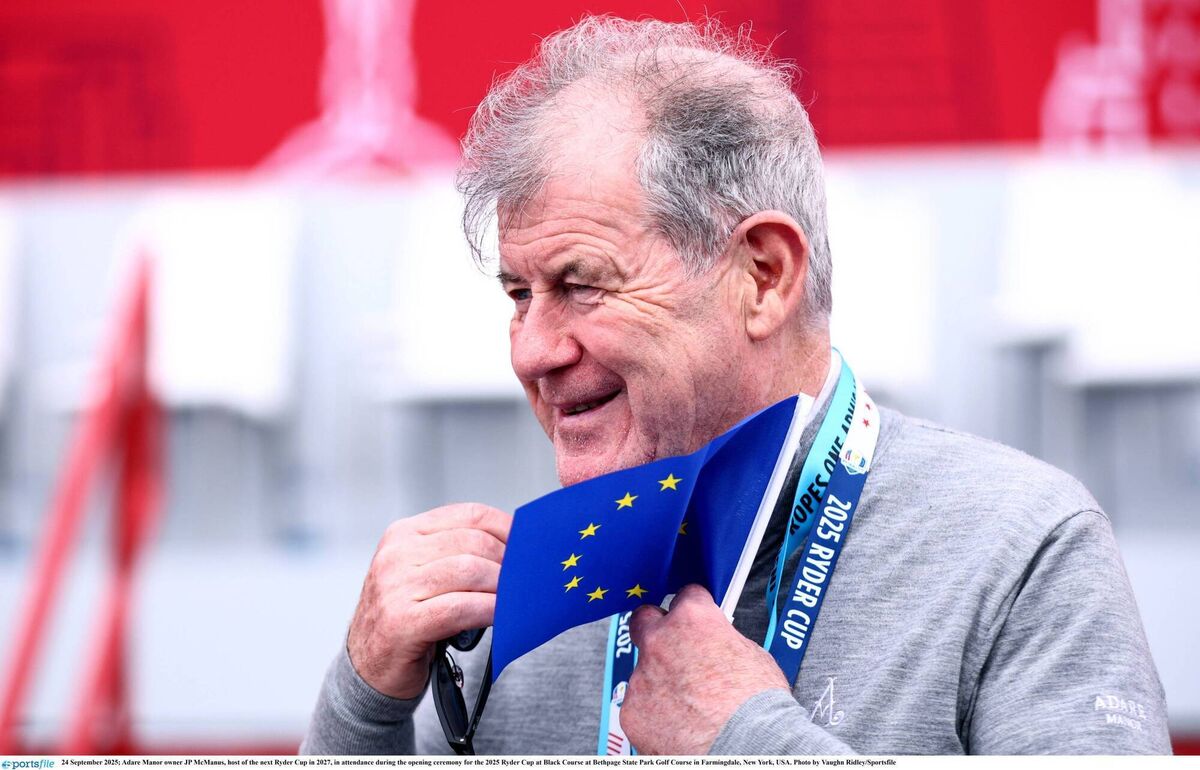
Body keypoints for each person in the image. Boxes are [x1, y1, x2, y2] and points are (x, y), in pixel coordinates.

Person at [301, 16, 1170, 755]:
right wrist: (364, 702)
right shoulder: (532, 587)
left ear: (763, 275)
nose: (532, 352)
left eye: (581, 284)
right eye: (519, 295)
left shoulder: (1022, 546)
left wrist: (749, 740)